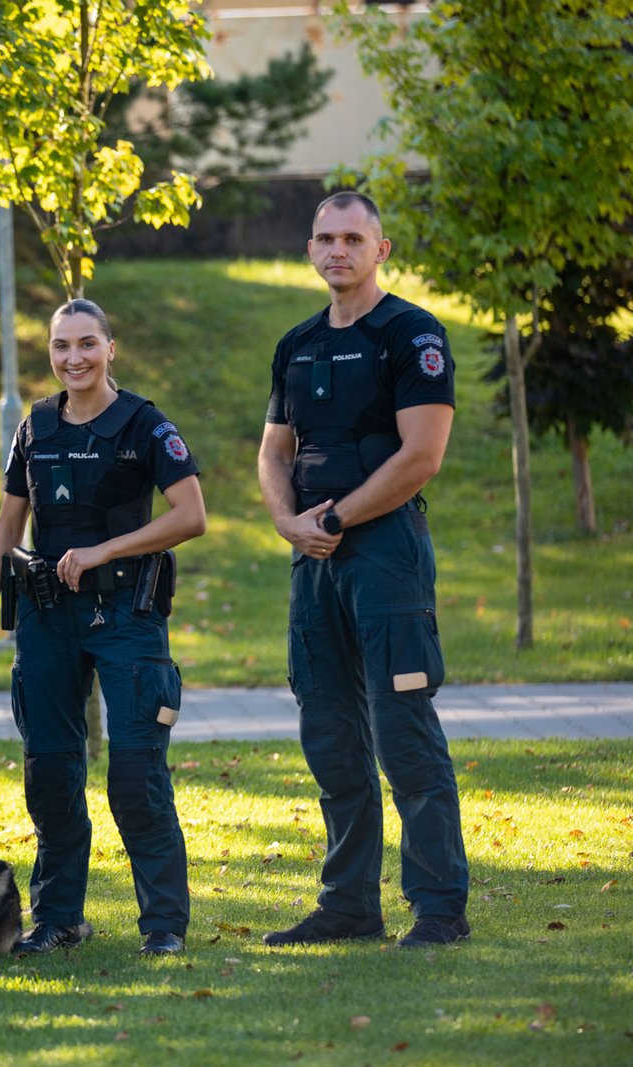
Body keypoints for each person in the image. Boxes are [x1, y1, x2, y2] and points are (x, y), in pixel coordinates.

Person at [257, 191, 469, 949]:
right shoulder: (297, 344)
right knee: (330, 734)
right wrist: (289, 522)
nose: (336, 250)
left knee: (403, 731)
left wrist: (338, 518)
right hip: (312, 557)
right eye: (323, 238)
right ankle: (349, 904)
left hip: (384, 555)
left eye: (352, 238)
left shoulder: (411, 335)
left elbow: (422, 455)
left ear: (381, 249)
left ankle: (440, 906)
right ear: (310, 250)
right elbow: (275, 450)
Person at [0, 298, 206, 957]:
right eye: (60, 345)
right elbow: (7, 527)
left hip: (126, 613)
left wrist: (107, 550)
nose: (73, 357)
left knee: (135, 771)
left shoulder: (145, 425)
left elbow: (191, 514)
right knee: (50, 770)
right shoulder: (35, 426)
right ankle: (59, 917)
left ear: (110, 348)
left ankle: (163, 923)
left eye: (86, 344)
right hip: (46, 617)